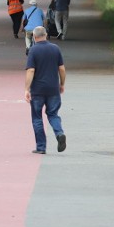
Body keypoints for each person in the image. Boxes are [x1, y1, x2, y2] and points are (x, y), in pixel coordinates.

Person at [25, 26, 67, 154]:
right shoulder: (55, 48)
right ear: (46, 35)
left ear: (34, 36)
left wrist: (27, 89)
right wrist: (62, 84)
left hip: (37, 90)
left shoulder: (33, 50)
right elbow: (62, 69)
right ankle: (59, 133)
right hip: (53, 88)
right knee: (53, 114)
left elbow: (31, 70)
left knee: (37, 117)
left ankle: (41, 147)